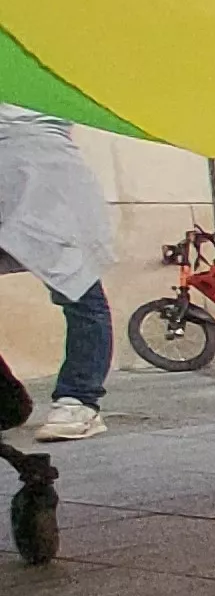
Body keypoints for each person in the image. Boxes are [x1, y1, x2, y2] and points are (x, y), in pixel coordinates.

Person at [0, 111, 115, 442]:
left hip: (47, 175)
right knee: (80, 293)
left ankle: (79, 399)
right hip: (24, 173)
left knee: (79, 290)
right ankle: (6, 402)